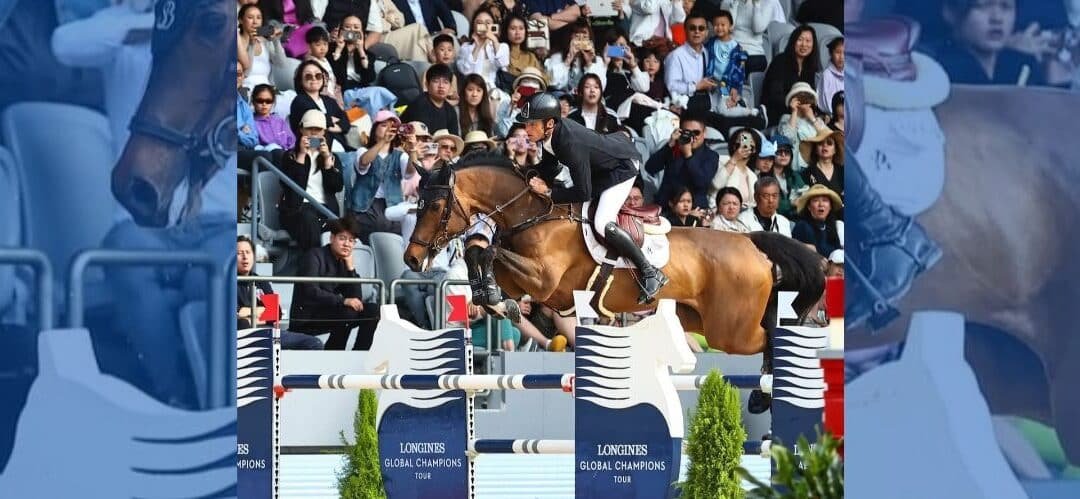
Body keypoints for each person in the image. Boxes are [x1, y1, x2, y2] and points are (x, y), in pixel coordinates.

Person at [517, 92, 668, 304]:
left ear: (549, 123)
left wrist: (549, 192)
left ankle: (650, 272)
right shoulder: (551, 135)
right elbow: (550, 166)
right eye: (527, 125)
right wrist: (524, 174)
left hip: (622, 167)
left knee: (601, 222)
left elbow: (583, 192)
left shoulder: (569, 143)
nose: (527, 130)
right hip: (603, 167)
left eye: (532, 125)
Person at [290, 216, 380, 350]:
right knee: (348, 312)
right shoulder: (314, 255)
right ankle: (334, 351)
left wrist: (351, 269)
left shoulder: (344, 261)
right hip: (308, 316)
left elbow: (357, 299)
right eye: (342, 238)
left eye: (351, 241)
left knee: (373, 310)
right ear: (332, 238)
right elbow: (310, 290)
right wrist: (342, 301)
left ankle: (360, 352)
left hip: (331, 311)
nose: (347, 244)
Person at [237, 236, 324, 350]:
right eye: (239, 253)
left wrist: (248, 313)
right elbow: (233, 316)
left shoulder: (260, 281)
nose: (245, 257)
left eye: (248, 252)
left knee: (313, 343)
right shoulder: (224, 283)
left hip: (268, 333)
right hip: (241, 336)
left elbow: (275, 313)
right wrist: (261, 311)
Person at [935, 0, 1045, 85]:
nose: (997, 18)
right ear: (950, 12)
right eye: (982, 5)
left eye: (1006, 6)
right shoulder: (937, 70)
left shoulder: (1023, 67)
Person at [279, 110, 344, 250]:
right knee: (309, 219)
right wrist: (301, 155)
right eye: (309, 129)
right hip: (297, 210)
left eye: (318, 129)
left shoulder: (332, 158)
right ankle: (315, 262)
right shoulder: (289, 156)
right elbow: (289, 186)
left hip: (325, 209)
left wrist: (327, 161)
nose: (314, 133)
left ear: (324, 132)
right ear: (301, 129)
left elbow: (337, 186)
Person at [644, 111, 717, 209]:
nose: (692, 137)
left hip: (694, 211)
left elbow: (701, 182)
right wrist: (669, 145)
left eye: (696, 133)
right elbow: (650, 168)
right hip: (666, 208)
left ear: (704, 133)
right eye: (687, 132)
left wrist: (688, 155)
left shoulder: (711, 156)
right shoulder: (672, 149)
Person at [762, 24, 821, 125]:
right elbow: (774, 95)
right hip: (778, 114)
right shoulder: (780, 60)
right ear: (793, 41)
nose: (804, 44)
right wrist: (794, 106)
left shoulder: (809, 67)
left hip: (800, 114)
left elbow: (810, 95)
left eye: (808, 41)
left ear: (813, 44)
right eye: (800, 39)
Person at [401, 63, 461, 135]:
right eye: (436, 81)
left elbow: (454, 137)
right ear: (427, 85)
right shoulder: (420, 105)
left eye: (445, 82)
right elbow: (421, 137)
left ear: (450, 87)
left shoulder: (450, 110)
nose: (441, 86)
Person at [791, 184, 844, 258]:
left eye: (825, 200)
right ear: (809, 207)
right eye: (815, 201)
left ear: (830, 206)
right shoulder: (802, 226)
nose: (821, 204)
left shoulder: (832, 226)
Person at [251, 84, 295, 150]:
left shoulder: (280, 122)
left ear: (273, 102)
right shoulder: (251, 122)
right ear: (253, 101)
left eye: (268, 101)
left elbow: (292, 141)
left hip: (285, 154)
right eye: (260, 101)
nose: (264, 104)